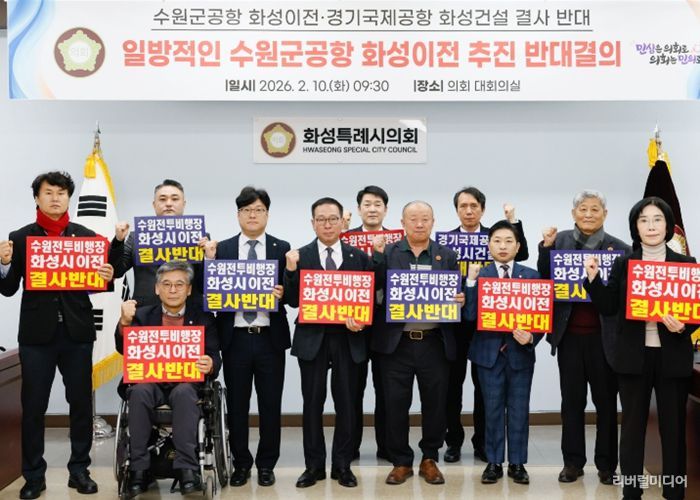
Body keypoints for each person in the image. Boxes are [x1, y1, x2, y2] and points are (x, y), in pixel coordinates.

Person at [0, 171, 118, 499]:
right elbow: (7, 289)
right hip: (36, 336)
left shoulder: (87, 237)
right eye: (49, 192)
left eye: (62, 193)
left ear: (69, 198)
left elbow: (98, 284)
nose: (55, 198)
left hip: (77, 333)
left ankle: (79, 470)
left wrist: (107, 274)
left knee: (80, 404)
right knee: (33, 406)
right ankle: (33, 476)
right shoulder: (20, 237)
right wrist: (4, 264)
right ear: (37, 198)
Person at [584, 197, 697, 500]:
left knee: (673, 430)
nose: (651, 226)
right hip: (634, 358)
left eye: (657, 219)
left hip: (672, 357)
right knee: (633, 429)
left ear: (668, 225)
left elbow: (695, 312)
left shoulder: (686, 264)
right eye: (644, 220)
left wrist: (683, 327)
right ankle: (631, 491)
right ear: (636, 227)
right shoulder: (625, 263)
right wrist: (593, 278)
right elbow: (608, 306)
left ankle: (674, 492)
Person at [537, 189, 630, 484]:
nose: (588, 214)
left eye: (595, 209)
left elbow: (621, 299)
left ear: (605, 214)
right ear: (573, 213)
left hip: (605, 340)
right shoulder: (559, 241)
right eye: (583, 209)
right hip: (569, 338)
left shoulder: (621, 249)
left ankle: (607, 466)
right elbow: (544, 279)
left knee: (606, 404)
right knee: (572, 402)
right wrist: (545, 248)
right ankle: (572, 463)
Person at [371, 201, 465, 486]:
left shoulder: (447, 255)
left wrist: (460, 298)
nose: (419, 223)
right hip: (396, 343)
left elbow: (456, 293)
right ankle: (401, 460)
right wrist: (376, 260)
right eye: (413, 219)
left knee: (435, 403)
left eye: (425, 218)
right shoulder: (388, 253)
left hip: (434, 342)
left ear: (433, 222)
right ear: (403, 222)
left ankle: (429, 458)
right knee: (395, 403)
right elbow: (373, 292)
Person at [284, 197, 371, 489]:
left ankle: (342, 465)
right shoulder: (300, 255)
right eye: (321, 219)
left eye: (333, 218)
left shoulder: (359, 257)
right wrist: (291, 271)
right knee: (312, 404)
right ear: (313, 223)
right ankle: (314, 466)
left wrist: (361, 320)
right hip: (313, 338)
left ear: (342, 222)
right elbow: (292, 300)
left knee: (347, 403)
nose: (327, 224)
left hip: (348, 339)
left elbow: (368, 300)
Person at [115, 261, 221, 497]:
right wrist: (124, 323)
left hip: (185, 384)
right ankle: (138, 469)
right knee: (139, 392)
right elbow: (123, 349)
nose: (173, 290)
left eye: (179, 284)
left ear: (189, 289)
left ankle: (187, 470)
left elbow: (215, 355)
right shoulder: (142, 315)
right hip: (150, 382)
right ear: (157, 288)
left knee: (184, 393)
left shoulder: (203, 318)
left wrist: (211, 363)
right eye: (167, 284)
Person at [209, 186, 289, 487]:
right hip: (236, 338)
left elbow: (293, 293)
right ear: (238, 214)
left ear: (267, 214)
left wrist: (283, 291)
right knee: (238, 405)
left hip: (270, 338)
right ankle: (241, 463)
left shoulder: (282, 248)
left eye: (258, 210)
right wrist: (209, 262)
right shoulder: (223, 249)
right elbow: (208, 291)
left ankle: (267, 464)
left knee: (270, 404)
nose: (252, 215)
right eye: (246, 210)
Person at [445, 186, 529, 464]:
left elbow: (521, 256)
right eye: (463, 206)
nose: (469, 211)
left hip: (494, 329)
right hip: (458, 323)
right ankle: (453, 441)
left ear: (482, 209)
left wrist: (513, 220)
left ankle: (483, 443)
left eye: (474, 206)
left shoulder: (494, 237)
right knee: (453, 386)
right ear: (456, 210)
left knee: (486, 393)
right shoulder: (446, 243)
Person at [465, 220, 543, 485]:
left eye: (509, 241)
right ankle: (494, 462)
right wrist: (470, 282)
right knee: (492, 409)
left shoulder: (531, 276)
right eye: (497, 241)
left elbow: (542, 315)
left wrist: (532, 337)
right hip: (488, 355)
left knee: (520, 410)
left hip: (520, 354)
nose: (502, 246)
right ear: (489, 245)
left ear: (518, 246)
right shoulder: (480, 275)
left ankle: (518, 463)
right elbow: (469, 316)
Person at [112, 179, 209, 307]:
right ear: (154, 204)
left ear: (184, 204)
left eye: (175, 199)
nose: (168, 204)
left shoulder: (200, 237)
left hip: (189, 311)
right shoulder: (137, 237)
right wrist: (118, 240)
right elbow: (116, 271)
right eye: (162, 199)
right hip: (145, 311)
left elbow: (206, 284)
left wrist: (209, 257)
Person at [346, 185, 390, 461]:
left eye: (377, 204)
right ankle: (350, 447)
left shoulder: (397, 241)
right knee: (353, 390)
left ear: (385, 209)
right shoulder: (346, 239)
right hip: (354, 328)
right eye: (367, 204)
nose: (372, 209)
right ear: (359, 208)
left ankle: (387, 446)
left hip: (387, 327)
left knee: (386, 391)